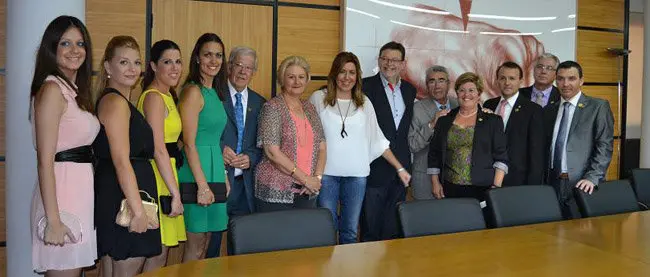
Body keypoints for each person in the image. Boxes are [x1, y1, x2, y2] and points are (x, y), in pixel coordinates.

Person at [309, 52, 410, 244]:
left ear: (357, 76)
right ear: (334, 73)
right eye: (342, 72)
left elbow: (378, 140)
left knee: (350, 231)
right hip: (326, 176)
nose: (347, 78)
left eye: (352, 72)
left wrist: (400, 168)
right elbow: (307, 136)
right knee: (327, 230)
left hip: (356, 177)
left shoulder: (364, 102)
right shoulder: (318, 98)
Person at [29, 15, 100, 276]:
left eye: (80, 44)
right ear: (52, 48)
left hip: (79, 194)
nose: (75, 51)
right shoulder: (51, 90)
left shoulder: (72, 91)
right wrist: (53, 220)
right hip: (61, 199)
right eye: (65, 43)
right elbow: (44, 160)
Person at [93, 36, 163, 277]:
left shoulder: (119, 100)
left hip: (122, 191)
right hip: (123, 196)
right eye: (124, 62)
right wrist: (138, 211)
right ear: (107, 67)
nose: (132, 69)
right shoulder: (115, 103)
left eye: (136, 62)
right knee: (126, 267)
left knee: (114, 269)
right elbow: (121, 161)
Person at [207, 46, 266, 258]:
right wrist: (220, 148)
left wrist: (251, 157)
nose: (243, 72)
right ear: (229, 66)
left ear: (253, 72)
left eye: (248, 68)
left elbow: (262, 144)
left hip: (245, 186)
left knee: (241, 247)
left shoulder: (260, 103)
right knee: (211, 244)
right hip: (216, 180)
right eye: (239, 65)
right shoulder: (214, 95)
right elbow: (199, 132)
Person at [177, 33, 230, 261]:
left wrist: (224, 175)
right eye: (207, 54)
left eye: (218, 55)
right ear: (197, 58)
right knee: (196, 244)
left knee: (208, 242)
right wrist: (202, 185)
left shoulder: (215, 93)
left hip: (214, 169)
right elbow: (188, 143)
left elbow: (214, 138)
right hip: (196, 172)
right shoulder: (192, 91)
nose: (213, 60)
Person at [136, 39, 186, 267]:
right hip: (158, 177)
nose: (175, 67)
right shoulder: (154, 97)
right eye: (167, 62)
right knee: (157, 253)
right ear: (154, 66)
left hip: (168, 173)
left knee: (162, 253)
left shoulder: (168, 96)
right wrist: (175, 194)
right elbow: (158, 148)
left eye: (178, 61)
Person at [543, 61, 614, 219]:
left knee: (582, 234)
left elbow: (605, 146)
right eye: (560, 79)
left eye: (571, 78)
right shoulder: (549, 110)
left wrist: (592, 177)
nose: (565, 84)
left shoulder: (598, 107)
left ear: (581, 80)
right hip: (552, 183)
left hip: (582, 183)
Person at [255, 56, 326, 212]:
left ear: (307, 80)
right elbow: (272, 152)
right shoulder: (272, 108)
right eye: (291, 77)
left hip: (307, 191)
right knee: (277, 236)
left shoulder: (309, 108)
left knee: (304, 236)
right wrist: (305, 179)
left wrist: (316, 179)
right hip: (276, 192)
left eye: (301, 77)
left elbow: (322, 146)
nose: (297, 82)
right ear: (282, 79)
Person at [361, 41, 416, 241]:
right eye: (384, 59)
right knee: (371, 227)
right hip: (374, 167)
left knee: (394, 227)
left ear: (403, 64)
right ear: (379, 60)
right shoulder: (364, 86)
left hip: (401, 167)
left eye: (394, 60)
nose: (388, 64)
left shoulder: (410, 90)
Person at [427, 72, 508, 201]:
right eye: (462, 90)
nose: (466, 95)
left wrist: (495, 188)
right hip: (449, 187)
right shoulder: (444, 120)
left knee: (482, 221)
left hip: (483, 188)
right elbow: (434, 154)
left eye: (471, 90)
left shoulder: (492, 121)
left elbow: (501, 156)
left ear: (479, 94)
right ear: (457, 93)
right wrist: (435, 182)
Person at [483, 62, 544, 187]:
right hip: (487, 177)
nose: (507, 83)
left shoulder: (533, 110)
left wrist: (533, 186)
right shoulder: (488, 105)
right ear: (497, 81)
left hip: (517, 180)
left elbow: (536, 153)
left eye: (512, 78)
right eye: (503, 78)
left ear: (520, 81)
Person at [408, 65, 458, 200]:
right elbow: (412, 145)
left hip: (454, 179)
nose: (437, 86)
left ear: (448, 84)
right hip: (425, 180)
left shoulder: (459, 105)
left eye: (441, 80)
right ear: (427, 85)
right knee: (424, 220)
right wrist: (431, 124)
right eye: (432, 81)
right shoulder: (416, 109)